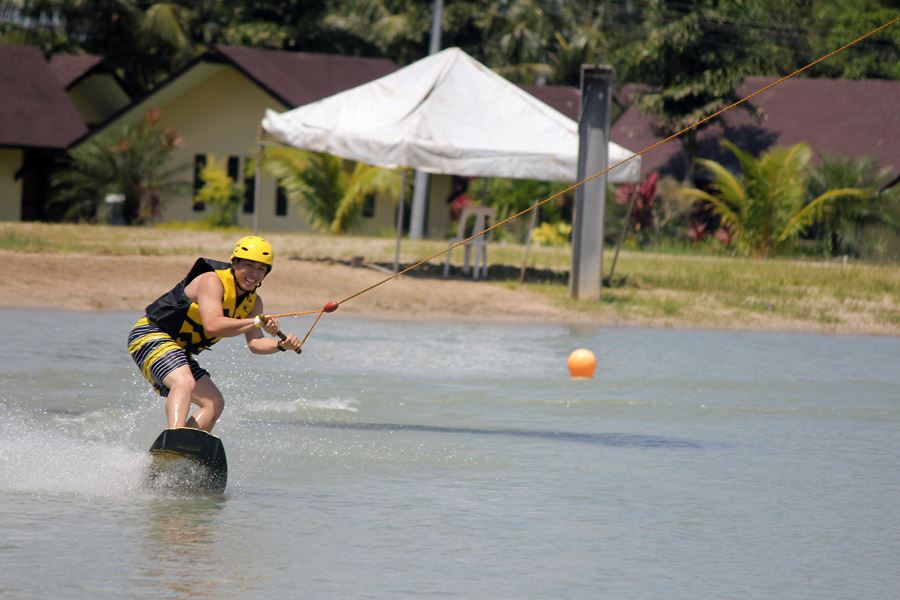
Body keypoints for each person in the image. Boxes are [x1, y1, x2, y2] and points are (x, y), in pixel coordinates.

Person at [127, 235, 301, 432]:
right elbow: (212, 325)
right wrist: (254, 321)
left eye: (261, 269)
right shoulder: (212, 281)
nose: (254, 273)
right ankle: (174, 435)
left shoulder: (254, 303)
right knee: (184, 381)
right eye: (249, 266)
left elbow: (256, 343)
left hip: (178, 351)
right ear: (234, 263)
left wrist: (280, 345)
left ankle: (181, 449)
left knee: (214, 403)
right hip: (150, 334)